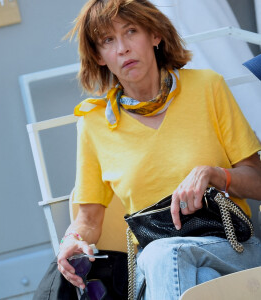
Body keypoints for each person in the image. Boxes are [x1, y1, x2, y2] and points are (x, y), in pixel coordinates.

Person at [57, 1, 261, 299]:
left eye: (131, 32)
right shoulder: (93, 122)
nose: (122, 48)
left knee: (164, 256)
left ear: (155, 35)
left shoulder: (207, 87)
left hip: (231, 247)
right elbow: (88, 219)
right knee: (189, 273)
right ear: (99, 57)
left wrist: (214, 174)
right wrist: (72, 240)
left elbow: (257, 180)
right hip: (157, 267)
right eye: (107, 40)